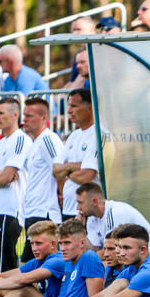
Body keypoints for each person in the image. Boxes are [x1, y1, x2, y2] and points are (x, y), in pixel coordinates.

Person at [0, 97, 34, 272]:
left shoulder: (20, 139)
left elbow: (6, 178)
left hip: (10, 208)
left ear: (15, 114)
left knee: (5, 265)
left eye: (1, 113)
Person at [19, 97, 64, 263]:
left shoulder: (48, 139)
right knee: (32, 270)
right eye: (24, 115)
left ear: (44, 118)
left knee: (27, 268)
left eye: (29, 115)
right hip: (33, 212)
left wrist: (61, 199)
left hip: (44, 213)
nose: (24, 120)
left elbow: (60, 171)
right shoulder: (35, 142)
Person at [52, 88, 99, 220]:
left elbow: (86, 176)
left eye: (74, 106)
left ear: (89, 108)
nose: (69, 111)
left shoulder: (98, 134)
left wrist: (66, 169)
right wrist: (75, 166)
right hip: (68, 209)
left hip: (87, 212)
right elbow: (55, 170)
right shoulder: (74, 136)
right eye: (68, 106)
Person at [76, 182, 150, 250]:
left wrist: (91, 259)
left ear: (94, 201)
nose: (78, 207)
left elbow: (113, 250)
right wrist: (80, 230)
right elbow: (94, 250)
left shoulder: (115, 212)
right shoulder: (91, 219)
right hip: (129, 255)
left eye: (81, 203)